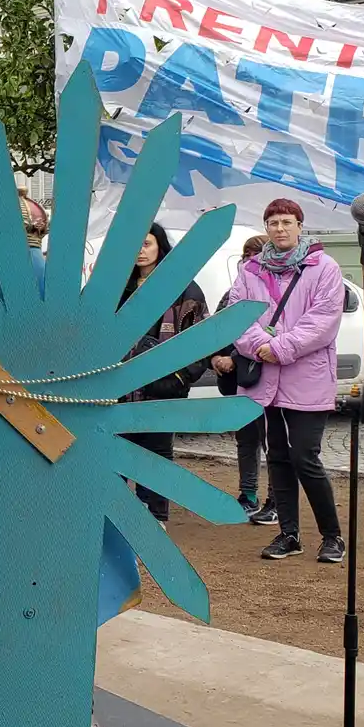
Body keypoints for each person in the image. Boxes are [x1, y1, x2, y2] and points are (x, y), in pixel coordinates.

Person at [229, 199, 346, 564]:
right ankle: (289, 533)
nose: (279, 228)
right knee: (277, 455)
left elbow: (323, 320)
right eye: (272, 222)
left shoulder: (324, 267)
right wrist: (260, 346)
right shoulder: (250, 269)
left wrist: (279, 347)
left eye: (286, 222)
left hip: (306, 378)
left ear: (300, 225)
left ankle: (332, 536)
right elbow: (236, 314)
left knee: (304, 456)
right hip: (266, 380)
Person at [120, 223, 210, 526]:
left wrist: (178, 380)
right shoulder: (116, 286)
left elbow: (201, 340)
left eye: (146, 243)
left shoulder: (184, 288)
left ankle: (155, 517)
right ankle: (114, 512)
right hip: (117, 389)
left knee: (155, 453)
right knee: (114, 448)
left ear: (160, 246)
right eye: (133, 244)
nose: (140, 251)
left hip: (160, 388)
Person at [211, 234, 274, 522]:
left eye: (255, 255)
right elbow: (217, 330)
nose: (248, 261)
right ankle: (248, 494)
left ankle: (277, 498)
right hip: (242, 380)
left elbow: (272, 335)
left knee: (273, 441)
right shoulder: (232, 293)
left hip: (271, 376)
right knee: (246, 438)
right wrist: (215, 357)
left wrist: (233, 358)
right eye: (245, 255)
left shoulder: (275, 293)